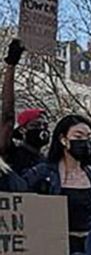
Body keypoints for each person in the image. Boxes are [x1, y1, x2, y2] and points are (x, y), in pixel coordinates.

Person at [23, 114, 91, 253]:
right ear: (63, 139)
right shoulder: (41, 175)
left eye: (89, 137)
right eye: (78, 137)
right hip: (53, 251)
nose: (85, 142)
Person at [0, 38, 50, 174]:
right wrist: (11, 66)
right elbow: (7, 117)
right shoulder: (11, 152)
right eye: (36, 125)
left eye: (45, 126)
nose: (42, 130)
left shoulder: (49, 162)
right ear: (22, 130)